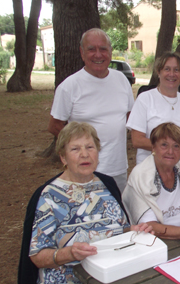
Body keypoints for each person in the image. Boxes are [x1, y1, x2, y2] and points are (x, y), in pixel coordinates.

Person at [18, 122, 153, 284]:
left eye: (90, 147)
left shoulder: (107, 184)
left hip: (111, 278)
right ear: (63, 157)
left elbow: (118, 229)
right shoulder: (48, 196)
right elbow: (37, 255)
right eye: (75, 149)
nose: (84, 154)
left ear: (97, 152)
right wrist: (68, 253)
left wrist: (133, 230)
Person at [47, 28, 134, 192]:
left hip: (118, 169)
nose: (98, 54)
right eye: (91, 49)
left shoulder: (121, 80)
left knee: (116, 213)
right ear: (82, 52)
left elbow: (131, 117)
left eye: (103, 49)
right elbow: (54, 125)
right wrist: (79, 149)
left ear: (110, 52)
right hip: (84, 171)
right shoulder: (69, 86)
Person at [126, 52, 180, 165]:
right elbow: (137, 140)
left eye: (176, 70)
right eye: (167, 69)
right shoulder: (145, 99)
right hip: (150, 168)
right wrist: (176, 144)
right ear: (158, 72)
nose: (172, 74)